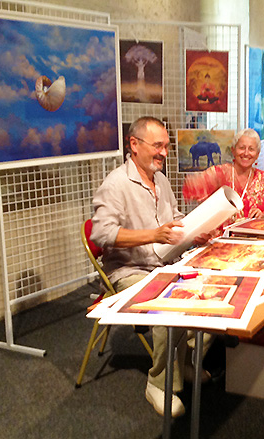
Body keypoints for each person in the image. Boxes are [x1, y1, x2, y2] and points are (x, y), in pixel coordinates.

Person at [91, 117, 215, 418]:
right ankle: (159, 384)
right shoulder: (116, 184)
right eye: (157, 145)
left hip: (163, 261)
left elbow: (172, 217)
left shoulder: (159, 179)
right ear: (134, 145)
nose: (164, 152)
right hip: (129, 270)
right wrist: (153, 235)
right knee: (168, 308)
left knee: (211, 293)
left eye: (166, 146)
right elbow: (101, 234)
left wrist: (198, 228)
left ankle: (183, 363)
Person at [183, 128, 264, 230]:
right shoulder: (219, 173)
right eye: (242, 148)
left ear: (257, 154)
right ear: (233, 150)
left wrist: (263, 215)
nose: (246, 153)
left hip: (254, 239)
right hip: (221, 239)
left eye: (251, 149)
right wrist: (196, 183)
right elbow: (190, 189)